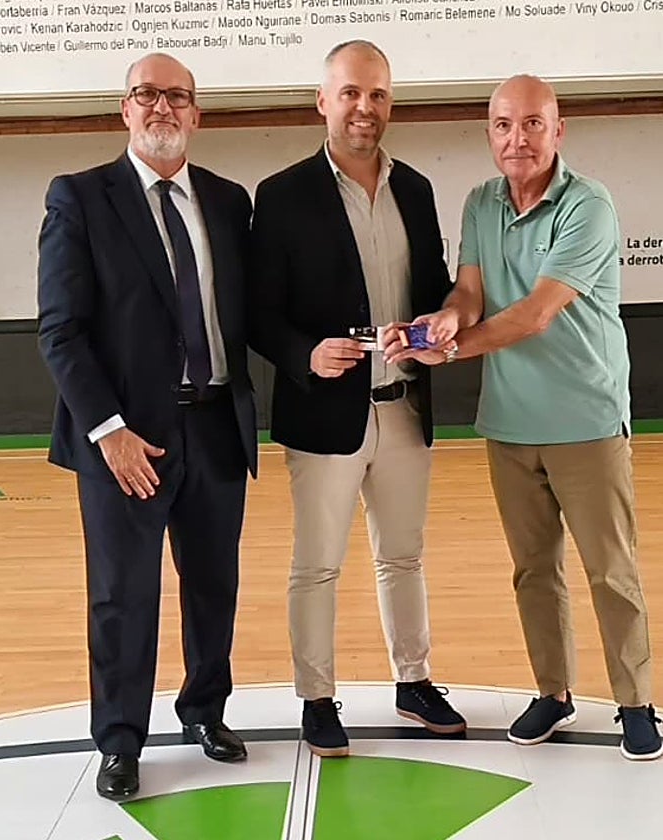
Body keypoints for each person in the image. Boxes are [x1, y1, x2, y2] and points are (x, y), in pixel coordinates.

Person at [386, 74, 663, 760]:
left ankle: (636, 702)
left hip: (586, 420)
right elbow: (472, 292)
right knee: (533, 570)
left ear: (558, 131)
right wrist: (443, 322)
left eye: (533, 124)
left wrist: (447, 353)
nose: (519, 138)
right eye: (505, 125)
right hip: (509, 423)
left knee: (610, 570)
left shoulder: (589, 205)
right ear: (490, 134)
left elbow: (538, 312)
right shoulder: (481, 202)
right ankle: (554, 692)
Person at [36, 52, 259, 800]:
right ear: (124, 110)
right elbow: (60, 331)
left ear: (196, 113)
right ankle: (121, 741)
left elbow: (250, 314)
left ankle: (205, 710)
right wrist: (109, 429)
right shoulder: (79, 197)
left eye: (177, 96)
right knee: (123, 596)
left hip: (217, 428)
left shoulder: (229, 203)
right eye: (146, 95)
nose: (161, 107)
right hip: (127, 442)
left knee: (213, 588)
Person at [248, 39, 466, 758]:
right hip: (324, 411)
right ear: (323, 101)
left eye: (376, 95)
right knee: (317, 564)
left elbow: (433, 289)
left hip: (405, 405)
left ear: (390, 102)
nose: (364, 108)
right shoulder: (281, 196)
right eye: (350, 93)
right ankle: (316, 697)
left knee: (403, 556)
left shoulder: (418, 188)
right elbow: (258, 313)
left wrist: (438, 328)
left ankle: (415, 681)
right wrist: (304, 354)